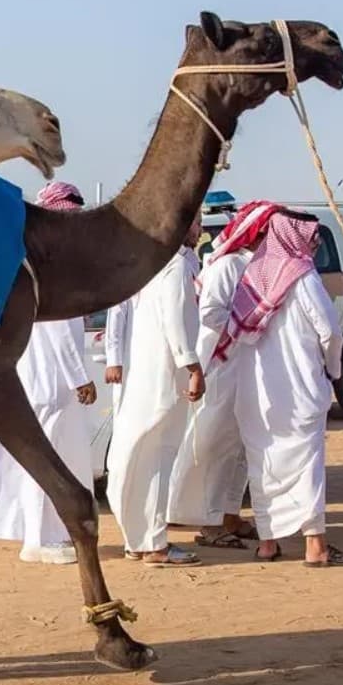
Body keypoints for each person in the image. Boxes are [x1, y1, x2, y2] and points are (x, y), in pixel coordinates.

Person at [215, 206, 343, 567]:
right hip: (298, 389)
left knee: (264, 464)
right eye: (309, 238)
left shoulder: (251, 279)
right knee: (305, 464)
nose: (312, 246)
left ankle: (268, 543)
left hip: (256, 394)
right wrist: (333, 368)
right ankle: (315, 546)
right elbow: (330, 332)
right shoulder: (304, 277)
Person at [0, 182, 98, 565]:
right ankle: (41, 538)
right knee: (48, 458)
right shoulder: (50, 263)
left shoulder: (31, 257)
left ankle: (44, 533)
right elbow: (60, 327)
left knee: (45, 455)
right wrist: (79, 376)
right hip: (50, 379)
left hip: (38, 374)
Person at [167, 203, 272, 549]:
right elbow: (211, 315)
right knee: (215, 444)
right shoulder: (228, 264)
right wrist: (252, 321)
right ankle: (208, 522)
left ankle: (229, 514)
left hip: (246, 365)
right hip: (221, 363)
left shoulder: (258, 265)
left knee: (240, 445)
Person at [104, 218, 205, 565]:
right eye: (194, 223)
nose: (199, 228)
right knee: (158, 458)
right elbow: (176, 323)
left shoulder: (147, 267)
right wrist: (192, 366)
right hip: (165, 375)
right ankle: (156, 545)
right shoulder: (174, 267)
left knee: (138, 455)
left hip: (144, 376)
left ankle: (138, 540)